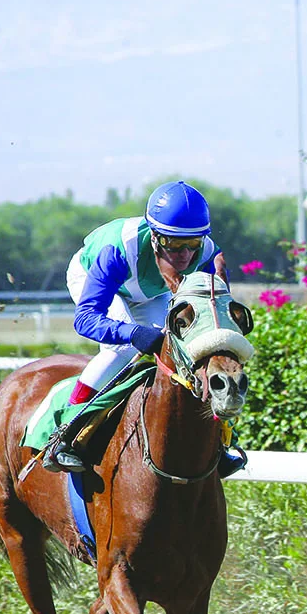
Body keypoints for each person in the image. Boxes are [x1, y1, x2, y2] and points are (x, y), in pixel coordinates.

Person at [49, 180, 245, 476]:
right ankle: (67, 434)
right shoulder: (117, 249)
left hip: (150, 292)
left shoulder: (206, 255)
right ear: (154, 236)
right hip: (98, 279)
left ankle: (221, 439)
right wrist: (134, 333)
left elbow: (214, 327)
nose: (184, 255)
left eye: (192, 244)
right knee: (124, 349)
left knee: (185, 347)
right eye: (173, 244)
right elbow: (86, 319)